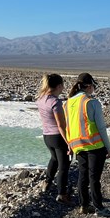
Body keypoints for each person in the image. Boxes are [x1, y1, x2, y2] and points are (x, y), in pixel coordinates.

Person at [65, 72, 110, 216]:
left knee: (83, 176)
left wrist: (70, 146)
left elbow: (68, 126)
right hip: (95, 145)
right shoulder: (91, 102)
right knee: (94, 179)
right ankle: (99, 207)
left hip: (78, 146)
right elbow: (101, 127)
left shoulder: (67, 103)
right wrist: (108, 147)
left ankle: (84, 205)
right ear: (90, 86)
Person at [36, 73, 73, 204]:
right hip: (58, 137)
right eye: (62, 86)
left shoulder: (41, 98)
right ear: (58, 86)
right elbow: (61, 125)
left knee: (54, 159)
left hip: (47, 136)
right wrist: (69, 142)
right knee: (64, 166)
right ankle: (62, 194)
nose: (63, 88)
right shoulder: (56, 102)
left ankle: (47, 182)